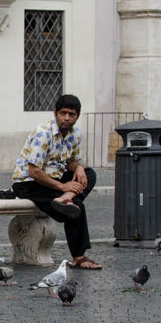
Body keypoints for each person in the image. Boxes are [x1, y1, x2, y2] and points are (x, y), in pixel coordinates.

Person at [12, 94, 101, 269]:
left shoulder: (75, 134)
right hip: (28, 183)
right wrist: (63, 186)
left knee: (89, 174)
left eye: (72, 114)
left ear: (77, 116)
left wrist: (79, 168)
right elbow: (34, 171)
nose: (67, 118)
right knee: (75, 206)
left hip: (55, 179)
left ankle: (65, 198)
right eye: (63, 113)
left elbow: (71, 163)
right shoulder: (43, 133)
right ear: (55, 113)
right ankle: (79, 256)